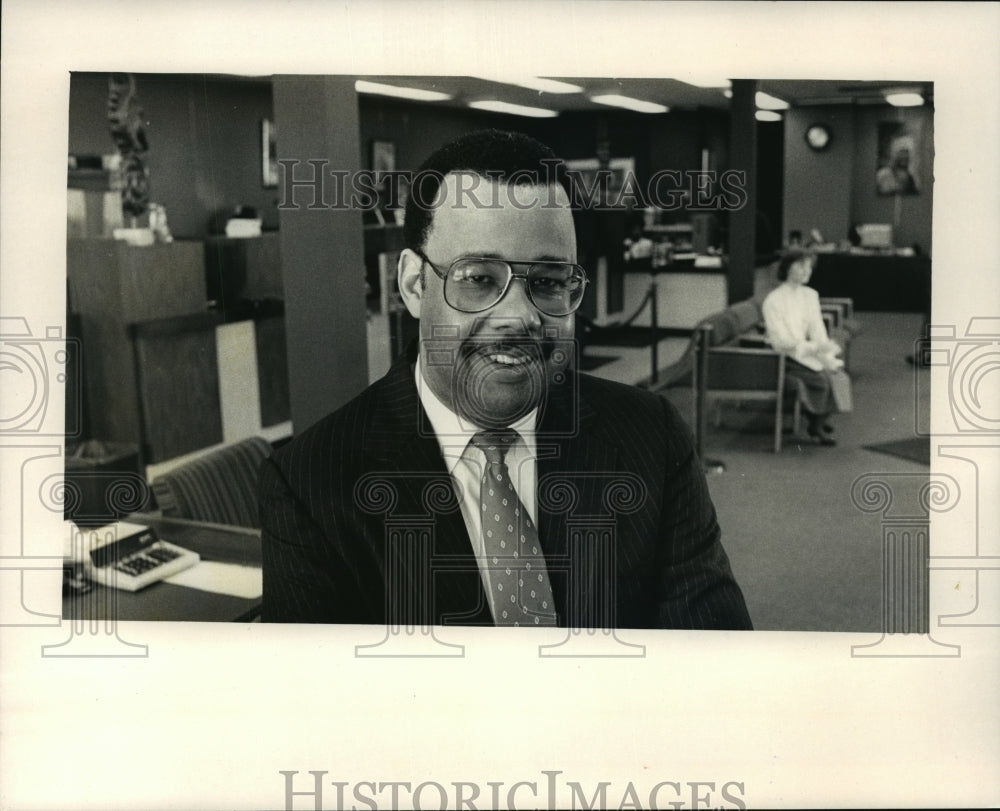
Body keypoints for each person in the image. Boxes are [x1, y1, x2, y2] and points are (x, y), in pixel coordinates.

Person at [258, 129, 752, 629]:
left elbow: (716, 654)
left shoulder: (652, 435)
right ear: (412, 284)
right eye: (478, 278)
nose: (519, 316)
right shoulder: (309, 483)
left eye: (549, 281)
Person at [761, 250, 846, 446]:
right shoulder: (773, 300)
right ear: (787, 268)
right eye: (801, 266)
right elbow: (781, 341)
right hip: (783, 357)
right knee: (821, 380)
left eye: (808, 267)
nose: (806, 271)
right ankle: (816, 424)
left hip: (805, 352)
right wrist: (813, 349)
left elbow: (817, 328)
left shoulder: (810, 295)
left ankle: (819, 418)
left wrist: (825, 351)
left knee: (839, 375)